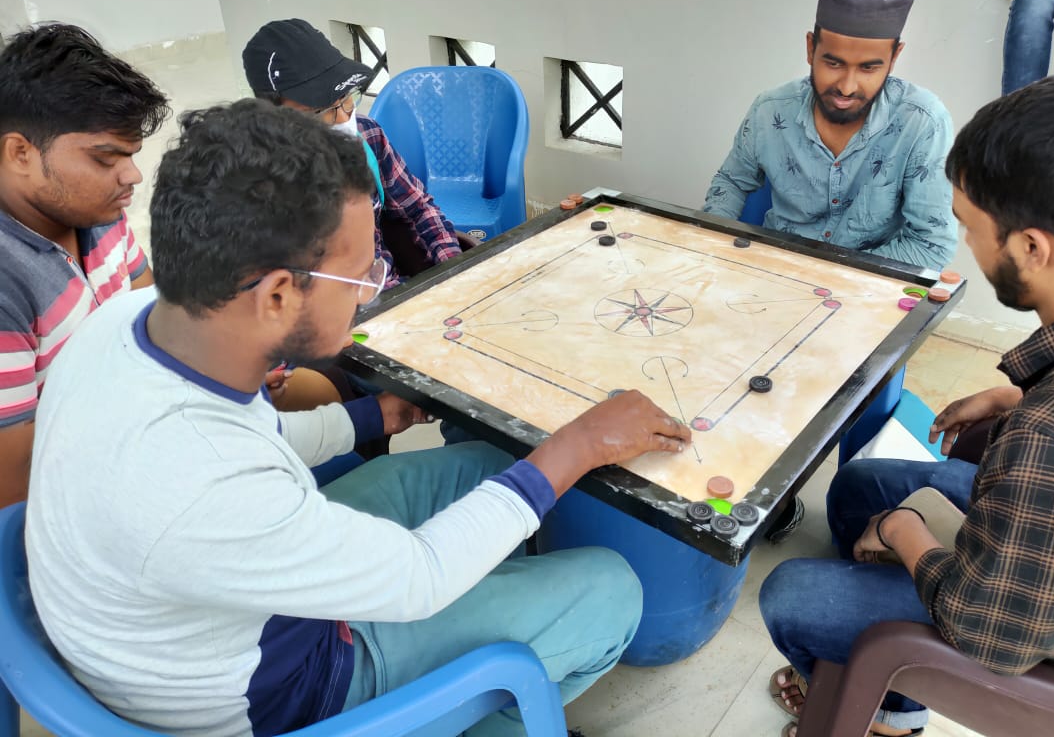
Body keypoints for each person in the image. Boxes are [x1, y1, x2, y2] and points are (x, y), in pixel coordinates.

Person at [25, 98, 691, 737]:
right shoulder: (206, 487)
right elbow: (420, 577)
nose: (372, 288)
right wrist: (580, 443)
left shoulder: (128, 322)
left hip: (213, 614)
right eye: (362, 277)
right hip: (285, 689)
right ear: (277, 295)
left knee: (496, 465)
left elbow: (254, 438)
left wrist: (374, 416)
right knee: (610, 589)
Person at [759, 71, 1054, 737]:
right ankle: (887, 694)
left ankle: (883, 716)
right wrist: (1017, 397)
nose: (964, 241)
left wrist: (903, 532)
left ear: (1032, 247)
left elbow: (990, 636)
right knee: (861, 485)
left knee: (794, 594)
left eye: (970, 226)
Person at [0, 22, 170, 509]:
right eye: (105, 158)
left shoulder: (95, 213)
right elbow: (16, 487)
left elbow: (151, 316)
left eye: (131, 156)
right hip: (87, 503)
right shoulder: (8, 287)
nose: (132, 176)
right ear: (20, 153)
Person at [703, 0, 958, 272]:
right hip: (774, 271)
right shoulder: (770, 110)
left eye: (868, 68)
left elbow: (932, 244)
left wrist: (827, 275)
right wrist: (710, 248)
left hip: (867, 284)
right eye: (833, 63)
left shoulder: (922, 123)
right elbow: (732, 182)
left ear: (894, 58)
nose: (847, 88)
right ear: (811, 48)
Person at [243, 18, 463, 287]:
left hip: (394, 291)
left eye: (347, 97)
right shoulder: (260, 184)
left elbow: (418, 209)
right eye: (320, 110)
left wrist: (455, 270)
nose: (344, 116)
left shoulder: (367, 136)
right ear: (273, 115)